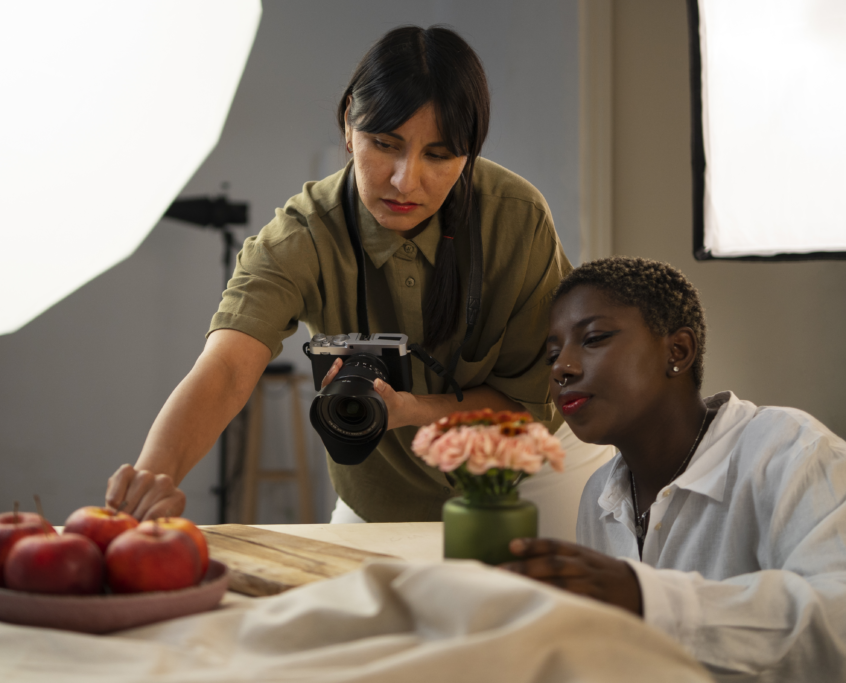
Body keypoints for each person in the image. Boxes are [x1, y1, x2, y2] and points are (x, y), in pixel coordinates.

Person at [105, 25, 613, 534]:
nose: (404, 180)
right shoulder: (299, 237)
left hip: (529, 470)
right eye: (384, 144)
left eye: (438, 156)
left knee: (568, 607)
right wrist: (152, 477)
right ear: (349, 123)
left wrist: (414, 409)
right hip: (385, 493)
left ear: (470, 152)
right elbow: (226, 371)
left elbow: (528, 403)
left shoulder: (516, 217)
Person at [504, 256, 846, 681]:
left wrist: (648, 598)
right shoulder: (598, 496)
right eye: (553, 353)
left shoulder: (791, 452)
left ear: (678, 351)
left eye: (593, 339)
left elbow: (837, 620)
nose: (561, 368)